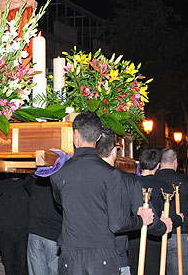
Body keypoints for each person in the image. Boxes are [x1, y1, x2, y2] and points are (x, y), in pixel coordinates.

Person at [50, 111, 154, 275]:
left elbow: (60, 203)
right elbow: (116, 224)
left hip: (71, 253)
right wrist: (141, 220)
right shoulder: (110, 174)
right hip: (102, 255)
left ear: (75, 134)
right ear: (98, 137)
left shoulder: (58, 173)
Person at [96, 128, 153, 275]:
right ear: (114, 150)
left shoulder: (81, 174)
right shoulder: (128, 180)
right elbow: (119, 223)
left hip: (86, 254)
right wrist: (160, 226)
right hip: (116, 255)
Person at [155, 147, 188, 275]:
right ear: (175, 161)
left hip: (155, 233)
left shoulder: (153, 179)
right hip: (178, 233)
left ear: (160, 162)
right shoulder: (184, 181)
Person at [128, 148, 180, 275]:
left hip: (134, 239)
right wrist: (179, 218)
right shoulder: (164, 186)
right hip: (155, 239)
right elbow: (171, 217)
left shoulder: (130, 184)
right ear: (158, 165)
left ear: (140, 164)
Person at [24, 174, 62, 275]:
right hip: (55, 236)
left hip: (35, 234)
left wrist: (36, 174)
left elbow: (26, 182)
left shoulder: (35, 184)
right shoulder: (61, 184)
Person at [0, 174, 30, 275]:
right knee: (9, 267)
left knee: (23, 267)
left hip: (22, 231)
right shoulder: (0, 185)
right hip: (5, 231)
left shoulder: (27, 184)